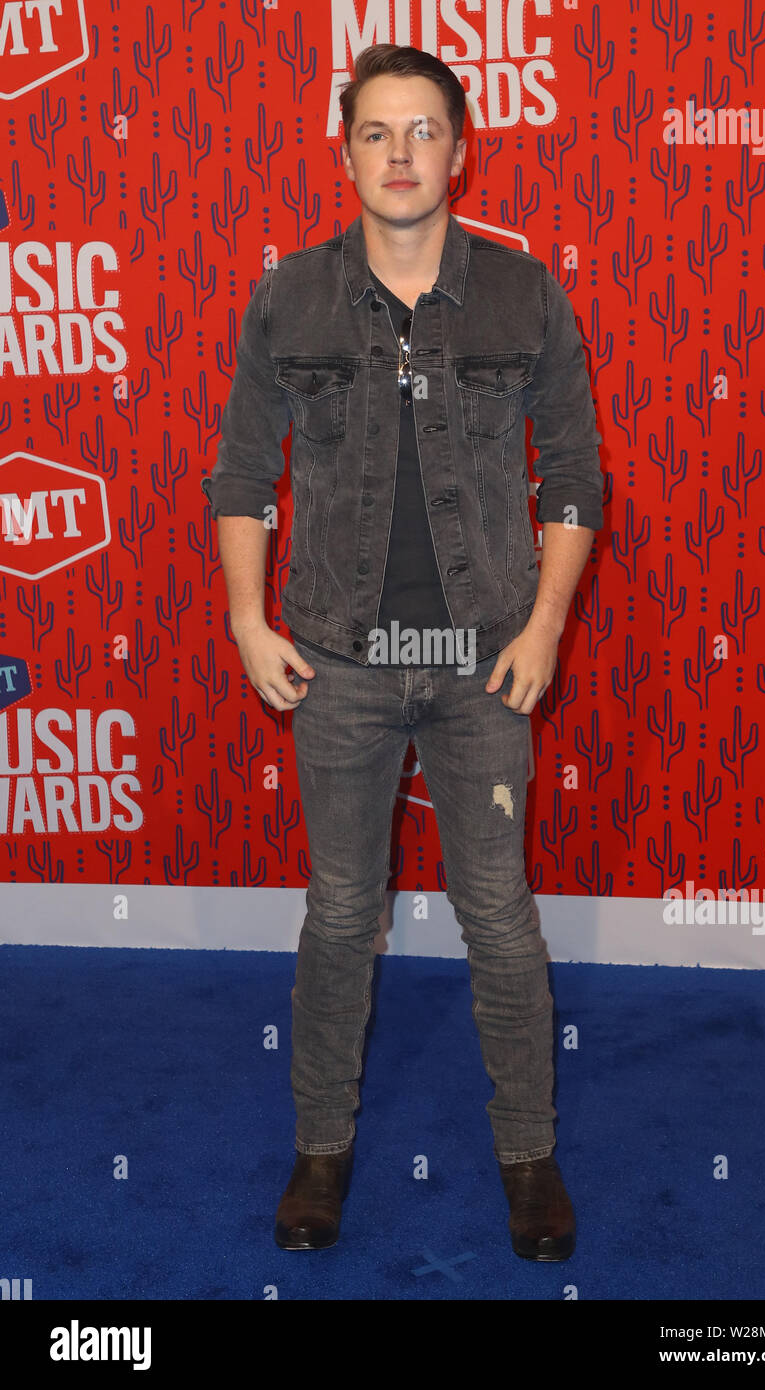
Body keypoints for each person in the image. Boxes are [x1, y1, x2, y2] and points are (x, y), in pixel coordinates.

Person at [200, 42, 605, 1262]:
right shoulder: (288, 300)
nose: (399, 155)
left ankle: (527, 1157)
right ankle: (320, 1149)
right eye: (375, 132)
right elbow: (241, 473)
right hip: (337, 662)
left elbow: (576, 475)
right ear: (344, 153)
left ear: (462, 147)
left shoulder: (523, 294)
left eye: (422, 131)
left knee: (500, 915)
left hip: (485, 657)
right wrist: (244, 616)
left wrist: (542, 623)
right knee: (338, 915)